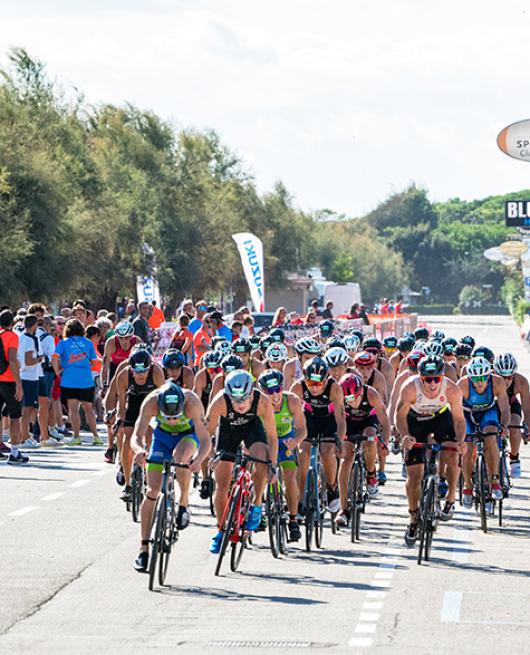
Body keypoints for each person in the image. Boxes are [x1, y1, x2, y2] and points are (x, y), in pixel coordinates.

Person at [131, 382, 211, 571]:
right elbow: (136, 435)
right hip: (162, 438)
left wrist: (199, 458)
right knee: (152, 491)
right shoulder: (151, 401)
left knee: (181, 457)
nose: (173, 420)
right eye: (168, 417)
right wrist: (139, 450)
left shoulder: (192, 402)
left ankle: (183, 502)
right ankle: (143, 548)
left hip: (187, 436)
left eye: (176, 416)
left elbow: (206, 439)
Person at [395, 355, 466, 545]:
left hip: (441, 418)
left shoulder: (451, 388)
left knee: (453, 453)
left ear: (442, 377)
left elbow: (459, 419)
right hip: (415, 421)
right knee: (414, 476)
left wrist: (461, 441)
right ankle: (413, 517)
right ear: (420, 377)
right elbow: (399, 416)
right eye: (428, 379)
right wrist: (405, 436)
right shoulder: (410, 387)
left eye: (437, 378)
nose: (433, 384)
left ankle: (450, 498)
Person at [206, 370, 278, 553]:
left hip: (252, 429)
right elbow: (206, 434)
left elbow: (272, 437)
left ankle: (256, 503)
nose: (239, 404)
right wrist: (210, 457)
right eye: (234, 400)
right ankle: (222, 529)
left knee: (262, 458)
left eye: (243, 399)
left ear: (251, 394)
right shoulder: (220, 402)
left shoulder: (262, 402)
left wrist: (273, 464)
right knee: (221, 485)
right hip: (227, 431)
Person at [291, 356, 346, 515]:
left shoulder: (334, 388)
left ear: (326, 380)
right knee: (302, 454)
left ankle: (331, 487)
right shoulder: (298, 387)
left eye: (319, 384)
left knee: (327, 451)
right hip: (309, 418)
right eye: (310, 384)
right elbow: (291, 415)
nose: (314, 389)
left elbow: (341, 419)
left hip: (329, 420)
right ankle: (300, 499)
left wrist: (339, 441)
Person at [258, 369, 307, 542]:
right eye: (269, 392)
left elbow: (302, 429)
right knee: (262, 473)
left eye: (277, 389)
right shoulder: (259, 403)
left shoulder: (292, 400)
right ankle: (263, 505)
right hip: (267, 441)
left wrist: (295, 441)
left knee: (290, 477)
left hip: (286, 441)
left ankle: (293, 519)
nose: (275, 395)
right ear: (263, 392)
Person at [336, 373, 390, 526]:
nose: (352, 402)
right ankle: (343, 508)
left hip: (368, 421)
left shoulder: (371, 394)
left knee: (370, 438)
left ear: (360, 392)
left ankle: (371, 474)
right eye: (348, 400)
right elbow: (337, 422)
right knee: (345, 459)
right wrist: (338, 441)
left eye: (354, 397)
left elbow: (385, 423)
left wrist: (385, 443)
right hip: (349, 422)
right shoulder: (339, 397)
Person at [458, 356, 510, 508]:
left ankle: (494, 481)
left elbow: (505, 407)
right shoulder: (463, 384)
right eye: (475, 378)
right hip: (467, 414)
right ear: (469, 376)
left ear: (489, 375)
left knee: (491, 437)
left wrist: (505, 426)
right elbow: (454, 409)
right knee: (467, 448)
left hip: (488, 412)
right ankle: (467, 486)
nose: (479, 382)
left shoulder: (497, 382)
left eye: (482, 377)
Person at [116, 347, 165, 503]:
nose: (141, 376)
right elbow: (122, 404)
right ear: (131, 369)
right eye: (137, 372)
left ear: (149, 367)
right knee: (128, 438)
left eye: (144, 372)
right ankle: (129, 485)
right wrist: (121, 421)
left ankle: (149, 475)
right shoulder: (123, 375)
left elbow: (163, 400)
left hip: (152, 403)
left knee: (151, 436)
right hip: (134, 403)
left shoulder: (157, 373)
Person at [52, 319, 102, 446]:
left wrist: (57, 371)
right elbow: (95, 361)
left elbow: (54, 357)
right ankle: (96, 436)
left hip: (69, 379)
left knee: (73, 409)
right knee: (89, 409)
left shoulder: (64, 343)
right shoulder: (88, 342)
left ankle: (76, 436)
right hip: (86, 379)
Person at [493, 352, 530, 478]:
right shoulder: (489, 379)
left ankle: (514, 457)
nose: (506, 381)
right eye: (502, 377)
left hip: (512, 404)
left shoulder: (521, 382)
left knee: (515, 427)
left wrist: (527, 426)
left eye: (510, 377)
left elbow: (527, 409)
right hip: (493, 406)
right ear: (494, 373)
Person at [0, 310, 25, 464]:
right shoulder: (12, 336)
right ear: (12, 323)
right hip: (9, 380)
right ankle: (14, 453)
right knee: (15, 416)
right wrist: (18, 383)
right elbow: (12, 360)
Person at [18, 315, 46, 449]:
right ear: (34, 325)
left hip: (26, 376)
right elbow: (29, 361)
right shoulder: (29, 340)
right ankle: (24, 437)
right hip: (29, 377)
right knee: (28, 408)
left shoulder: (21, 337)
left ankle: (24, 435)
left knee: (29, 408)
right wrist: (40, 359)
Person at [102, 321, 139, 386]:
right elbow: (105, 366)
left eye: (127, 338)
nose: (123, 341)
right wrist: (104, 384)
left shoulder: (137, 342)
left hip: (130, 368)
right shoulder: (111, 342)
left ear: (131, 336)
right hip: (115, 367)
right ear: (117, 336)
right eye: (120, 338)